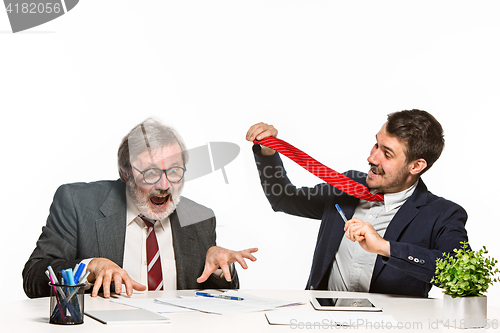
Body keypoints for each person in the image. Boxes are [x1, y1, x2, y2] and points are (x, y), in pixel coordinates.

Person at [23, 118, 257, 298]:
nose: (165, 186)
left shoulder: (200, 218)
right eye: (151, 172)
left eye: (174, 171)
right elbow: (33, 277)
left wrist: (219, 271)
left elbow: (216, 301)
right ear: (126, 173)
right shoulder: (77, 203)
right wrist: (88, 268)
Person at [246, 110, 467, 298]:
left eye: (387, 154)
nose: (372, 158)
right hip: (320, 323)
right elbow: (283, 199)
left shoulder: (443, 214)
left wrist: (384, 247)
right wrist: (268, 152)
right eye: (376, 145)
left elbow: (458, 273)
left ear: (416, 166)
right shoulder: (346, 185)